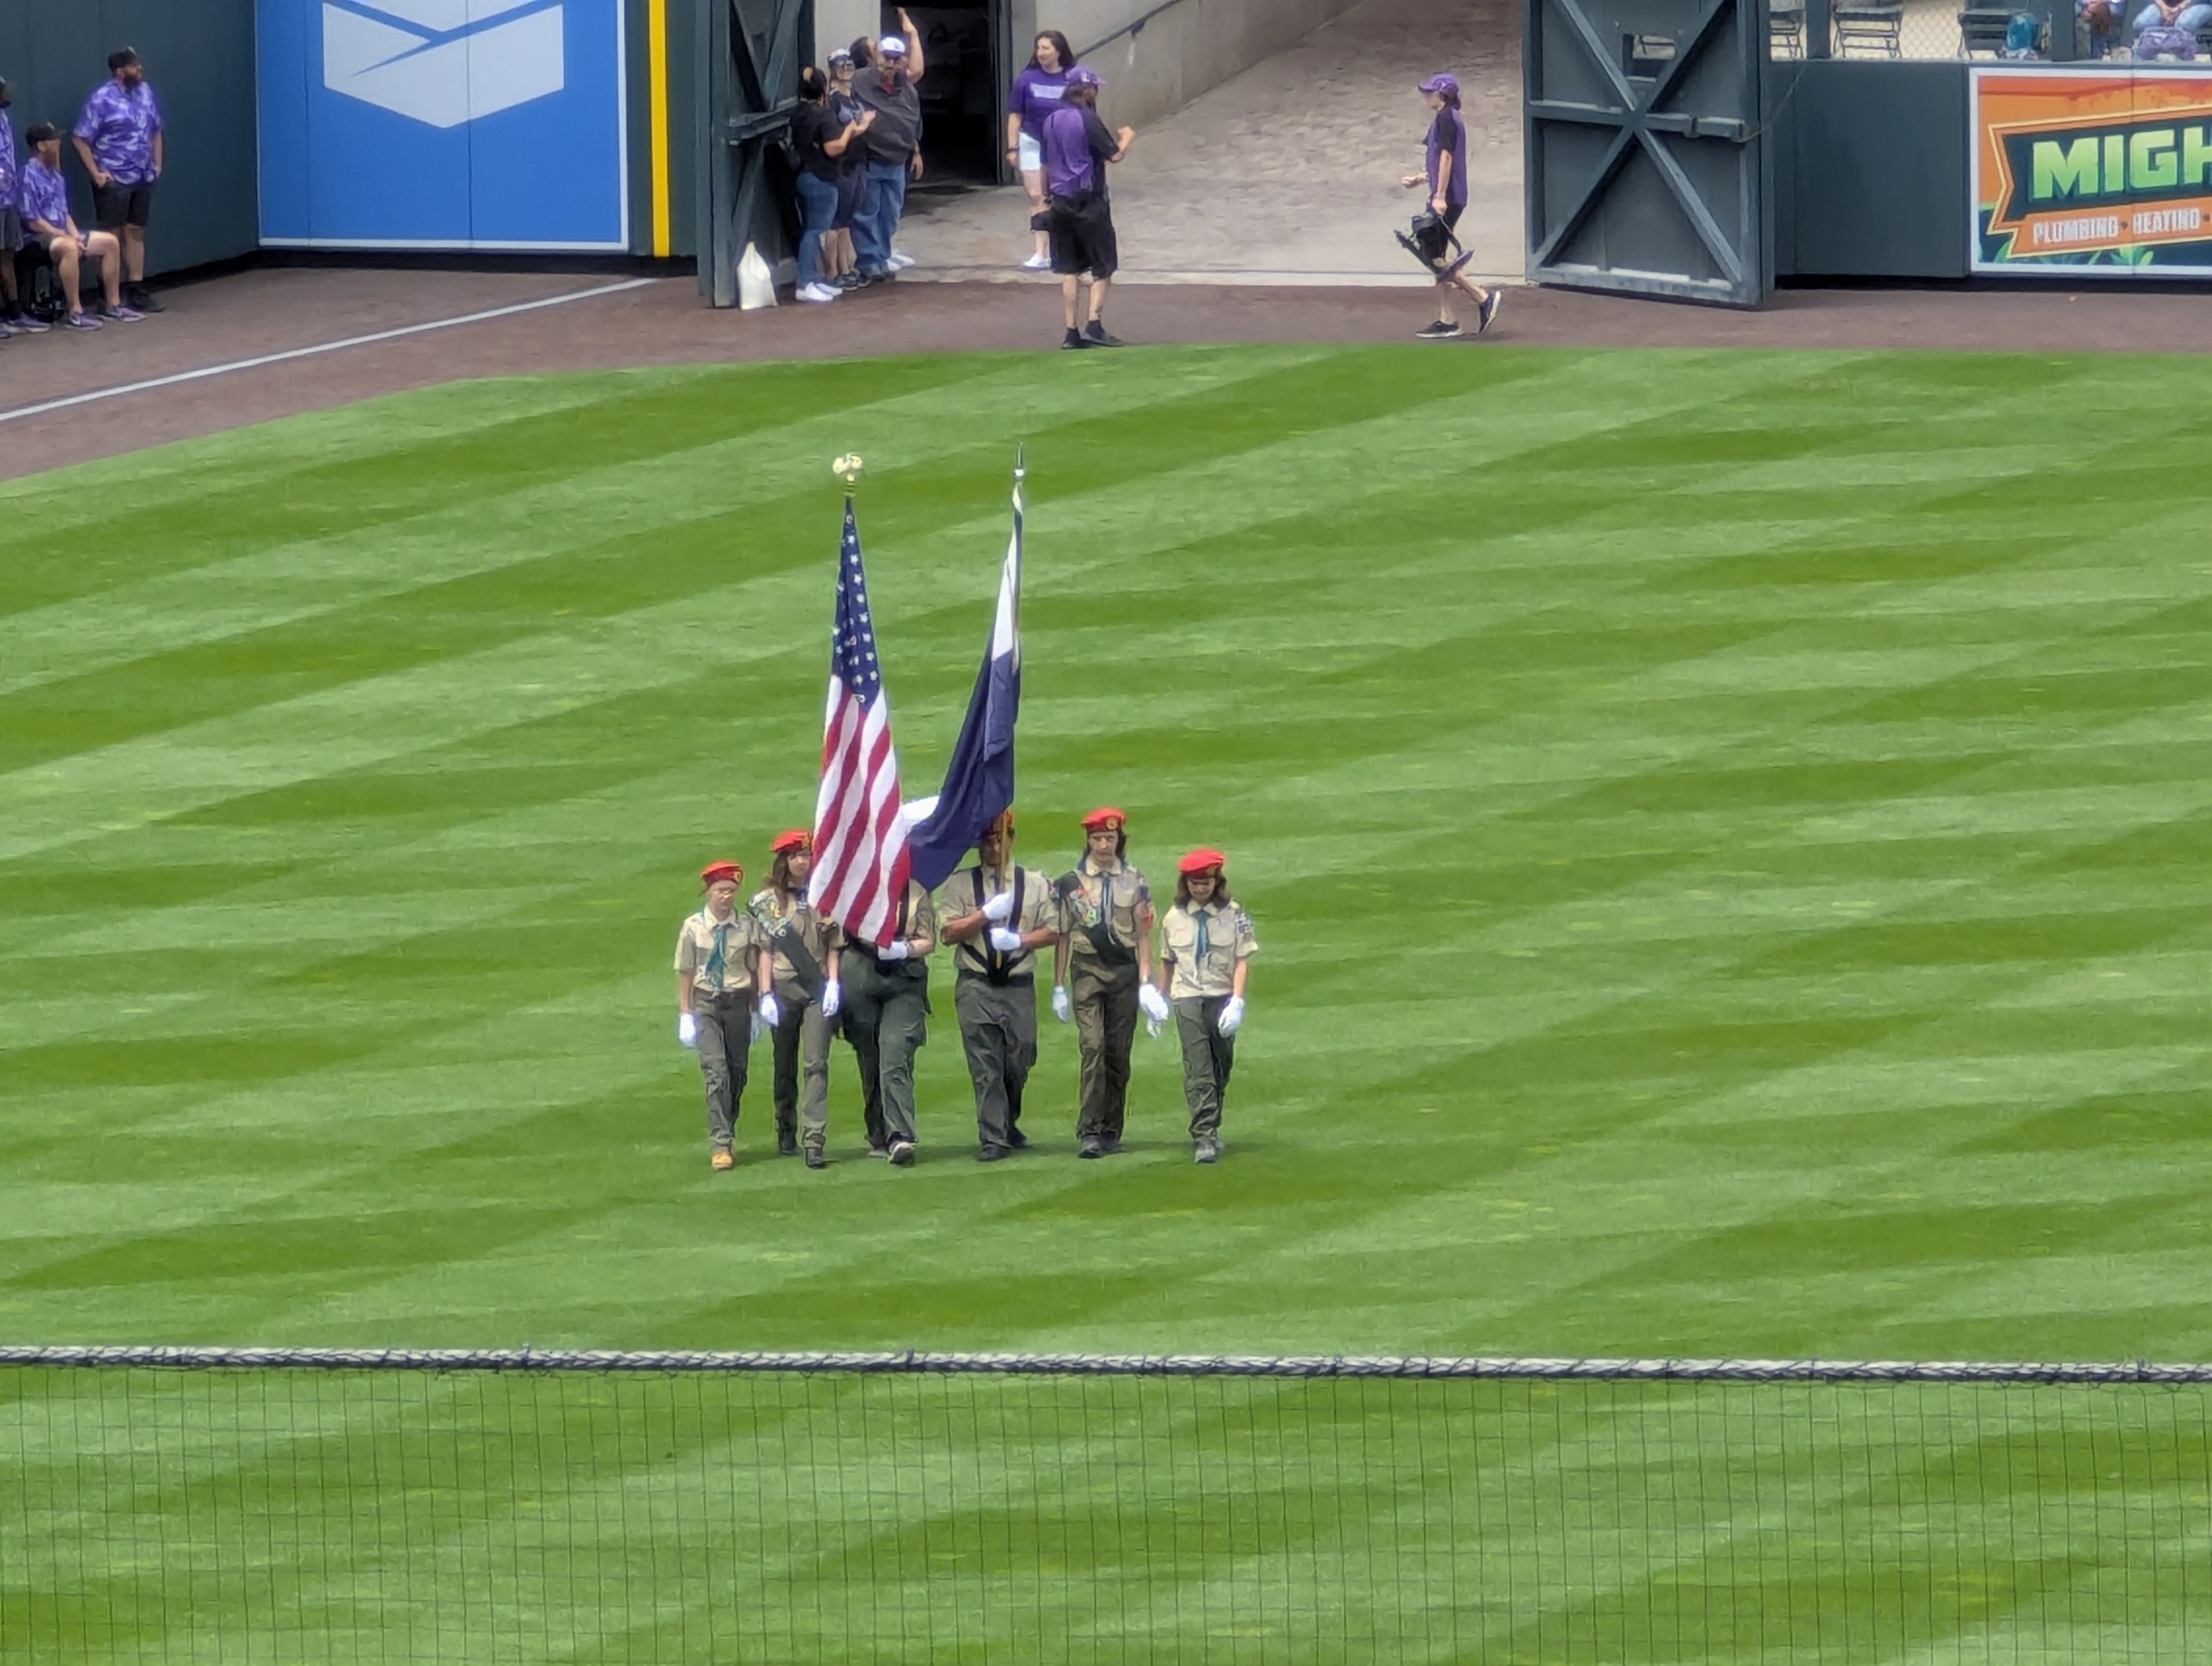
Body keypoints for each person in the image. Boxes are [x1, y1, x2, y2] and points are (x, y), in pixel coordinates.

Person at [936, 811, 1064, 1161]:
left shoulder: (1035, 884)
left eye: (1000, 839)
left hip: (1018, 982)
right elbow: (947, 933)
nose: (993, 847)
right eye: (987, 841)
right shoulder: (962, 885)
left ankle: (1007, 1119)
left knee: (1021, 1055)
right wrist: (983, 915)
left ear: (1011, 839)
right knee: (985, 1062)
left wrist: (1019, 940)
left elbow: (1054, 931)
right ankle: (993, 1136)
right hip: (976, 984)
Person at [1052, 808, 1162, 1158]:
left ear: (1119, 839)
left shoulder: (1135, 881)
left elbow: (1144, 935)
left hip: (1125, 972)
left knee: (1118, 1054)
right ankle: (1089, 1130)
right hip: (1087, 970)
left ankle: (1111, 1129)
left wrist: (1147, 982)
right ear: (1088, 840)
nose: (1103, 844)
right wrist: (1058, 986)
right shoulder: (1071, 883)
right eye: (1097, 838)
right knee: (1093, 1047)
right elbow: (1062, 936)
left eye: (1110, 838)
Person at [1153, 849, 1257, 1165]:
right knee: (1198, 1067)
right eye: (1195, 883)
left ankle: (1213, 1120)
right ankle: (1204, 1133)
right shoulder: (1174, 917)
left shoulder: (1234, 915)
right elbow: (1168, 961)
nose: (1201, 889)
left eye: (1206, 882)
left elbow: (1242, 960)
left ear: (1217, 881)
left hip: (1221, 994)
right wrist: (1160, 997)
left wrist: (1237, 1000)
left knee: (1220, 1065)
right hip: (1187, 996)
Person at [674, 862, 779, 1171]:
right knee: (716, 1072)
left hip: (738, 1002)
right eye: (721, 891)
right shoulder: (693, 926)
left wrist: (760, 1004)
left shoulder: (746, 925)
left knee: (737, 1072)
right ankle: (721, 1142)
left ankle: (727, 1123)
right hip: (707, 1001)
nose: (726, 897)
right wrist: (685, 1013)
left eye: (731, 892)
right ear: (709, 892)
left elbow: (757, 959)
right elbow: (686, 971)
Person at [751, 831, 844, 1167]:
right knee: (784, 1064)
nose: (803, 862)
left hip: (816, 991)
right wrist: (764, 995)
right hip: (783, 988)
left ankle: (814, 1139)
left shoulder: (825, 896)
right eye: (796, 856)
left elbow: (833, 944)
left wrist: (833, 984)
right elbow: (765, 951)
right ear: (784, 861)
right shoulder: (768, 903)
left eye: (807, 855)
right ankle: (785, 1126)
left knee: (816, 1064)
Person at [837, 875, 936, 1166]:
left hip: (904, 978)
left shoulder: (917, 892)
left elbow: (928, 940)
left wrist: (903, 949)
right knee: (869, 1057)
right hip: (860, 972)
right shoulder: (855, 883)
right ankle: (877, 1131)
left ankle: (900, 1136)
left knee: (894, 1052)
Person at [1040, 66, 1133, 350]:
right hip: (1089, 201)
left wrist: (1047, 196)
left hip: (1060, 201)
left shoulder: (1051, 120)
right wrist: (1127, 137)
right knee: (1103, 264)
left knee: (1069, 269)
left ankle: (1071, 332)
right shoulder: (1088, 119)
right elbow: (1114, 155)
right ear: (1087, 90)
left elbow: (1045, 164)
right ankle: (1094, 324)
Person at [1400, 74, 1497, 341]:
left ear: (1442, 95)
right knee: (1437, 253)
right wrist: (1422, 178)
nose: (1427, 97)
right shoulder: (1446, 119)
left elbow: (1446, 157)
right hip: (1447, 194)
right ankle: (1447, 319)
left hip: (1449, 197)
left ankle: (1481, 296)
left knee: (1433, 254)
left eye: (1431, 93)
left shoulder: (1446, 119)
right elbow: (1440, 161)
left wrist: (1440, 196)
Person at [73, 48, 163, 316]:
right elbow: (80, 138)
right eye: (135, 66)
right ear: (121, 70)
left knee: (135, 231)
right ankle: (108, 295)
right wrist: (96, 174)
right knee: (110, 236)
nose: (141, 69)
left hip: (143, 175)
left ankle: (137, 289)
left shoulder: (146, 92)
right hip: (114, 178)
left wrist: (157, 164)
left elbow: (156, 129)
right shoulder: (101, 100)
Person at [17, 125, 135, 330]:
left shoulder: (57, 176)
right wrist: (66, 237)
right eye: (54, 141)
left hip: (62, 233)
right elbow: (33, 221)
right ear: (42, 146)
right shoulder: (27, 175)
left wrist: (75, 235)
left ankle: (113, 305)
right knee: (69, 248)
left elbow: (65, 214)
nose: (59, 144)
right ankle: (75, 312)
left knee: (110, 242)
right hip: (37, 238)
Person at [853, 14, 925, 284]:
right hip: (870, 159)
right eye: (886, 57)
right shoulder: (859, 80)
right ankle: (869, 261)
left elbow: (913, 120)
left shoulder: (907, 88)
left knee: (890, 214)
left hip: (898, 161)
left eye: (896, 58)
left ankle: (882, 257)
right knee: (867, 212)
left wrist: (915, 151)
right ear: (878, 56)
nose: (891, 63)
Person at [790, 67, 871, 304]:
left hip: (804, 174)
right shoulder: (822, 115)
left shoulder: (799, 112)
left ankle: (813, 280)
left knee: (813, 229)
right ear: (824, 88)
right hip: (821, 177)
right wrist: (851, 130)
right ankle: (806, 283)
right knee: (815, 230)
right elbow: (833, 148)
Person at [1006, 31, 1075, 272]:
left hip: (1063, 144)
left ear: (1059, 51)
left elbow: (1085, 115)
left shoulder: (1073, 78)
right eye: (1039, 48)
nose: (1041, 53)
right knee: (1037, 196)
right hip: (1032, 141)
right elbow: (1015, 115)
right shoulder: (1026, 79)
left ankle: (1064, 251)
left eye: (1046, 48)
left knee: (1062, 196)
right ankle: (1039, 253)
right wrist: (1012, 147)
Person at [0, 78, 44, 338]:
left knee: (7, 256)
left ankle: (16, 312)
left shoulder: (5, 119)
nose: (7, 95)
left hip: (8, 199)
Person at [826, 49, 870, 289]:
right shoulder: (833, 101)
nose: (846, 69)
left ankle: (845, 267)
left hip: (858, 161)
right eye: (841, 66)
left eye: (849, 65)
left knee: (847, 219)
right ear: (833, 69)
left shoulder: (854, 97)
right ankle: (833, 272)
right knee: (836, 219)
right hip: (843, 164)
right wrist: (863, 125)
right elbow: (837, 133)